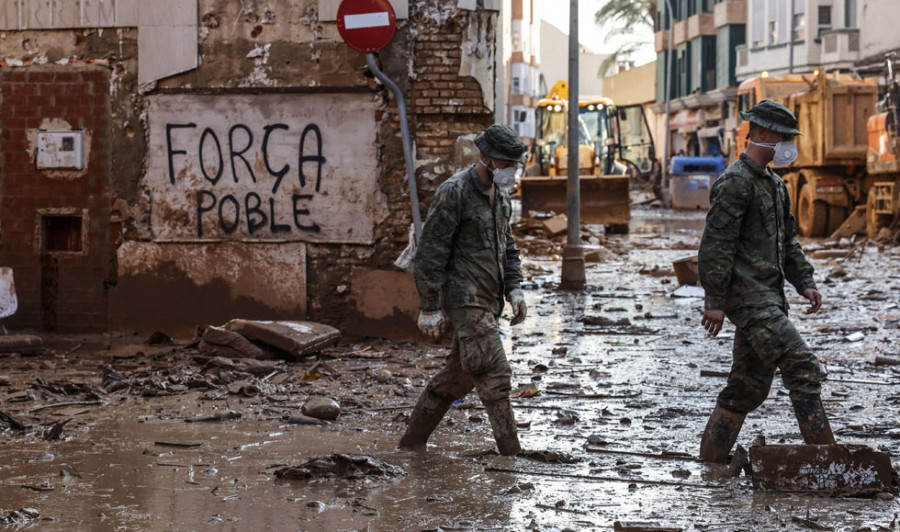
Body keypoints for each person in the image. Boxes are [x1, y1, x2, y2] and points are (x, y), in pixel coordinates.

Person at [697, 100, 835, 463]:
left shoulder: (775, 185)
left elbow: (787, 241)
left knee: (748, 387)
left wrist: (804, 282)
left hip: (768, 299)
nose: (789, 143)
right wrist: (714, 300)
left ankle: (710, 462)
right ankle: (831, 462)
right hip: (748, 300)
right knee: (802, 365)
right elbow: (716, 244)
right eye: (784, 136)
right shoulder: (734, 183)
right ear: (759, 133)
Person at [399, 124, 528, 456]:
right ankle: (512, 456)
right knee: (494, 371)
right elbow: (430, 252)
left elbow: (508, 247)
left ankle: (411, 445)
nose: (511, 170)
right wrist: (430, 306)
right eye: (505, 163)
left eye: (515, 164)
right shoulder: (454, 192)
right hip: (463, 297)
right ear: (484, 158)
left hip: (489, 299)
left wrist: (514, 289)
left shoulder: (500, 196)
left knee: (458, 378)